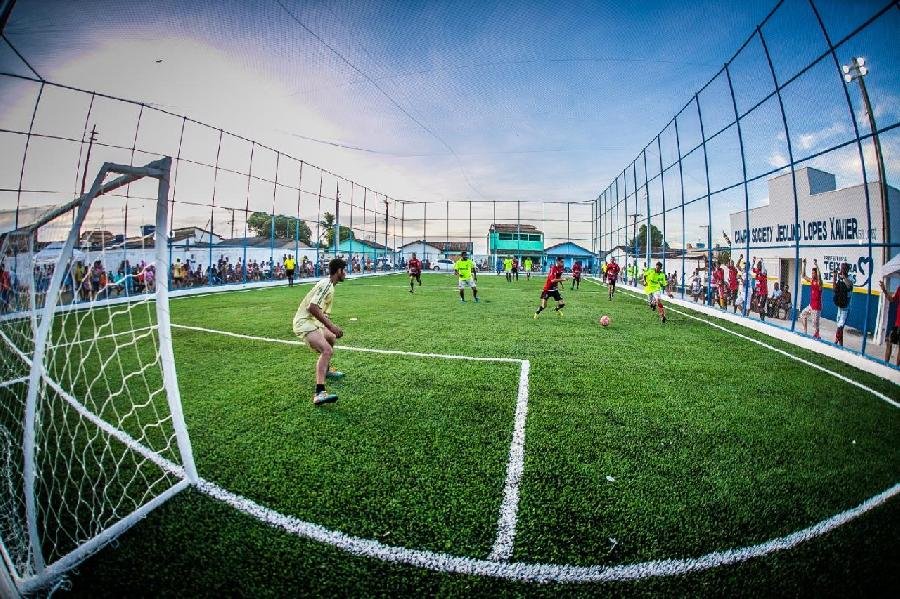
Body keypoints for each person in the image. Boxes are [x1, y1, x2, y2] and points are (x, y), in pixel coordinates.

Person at [292, 258, 347, 406]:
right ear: (339, 271)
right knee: (327, 351)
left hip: (312, 321)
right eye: (344, 270)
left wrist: (330, 329)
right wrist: (332, 326)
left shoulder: (329, 285)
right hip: (304, 322)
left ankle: (326, 369)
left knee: (331, 338)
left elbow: (321, 311)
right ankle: (319, 392)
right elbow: (312, 308)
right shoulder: (327, 285)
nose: (346, 274)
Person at [879, 277, 900, 365]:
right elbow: (892, 300)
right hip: (896, 322)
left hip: (897, 322)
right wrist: (884, 290)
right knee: (889, 343)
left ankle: (896, 369)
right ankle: (886, 366)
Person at [832, 261, 853, 346]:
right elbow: (834, 289)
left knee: (840, 326)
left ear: (847, 269)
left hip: (846, 306)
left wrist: (843, 276)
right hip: (840, 305)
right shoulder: (840, 278)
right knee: (839, 325)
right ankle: (840, 344)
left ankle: (836, 342)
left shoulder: (850, 278)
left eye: (843, 268)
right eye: (841, 268)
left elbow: (849, 286)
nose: (842, 269)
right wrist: (834, 277)